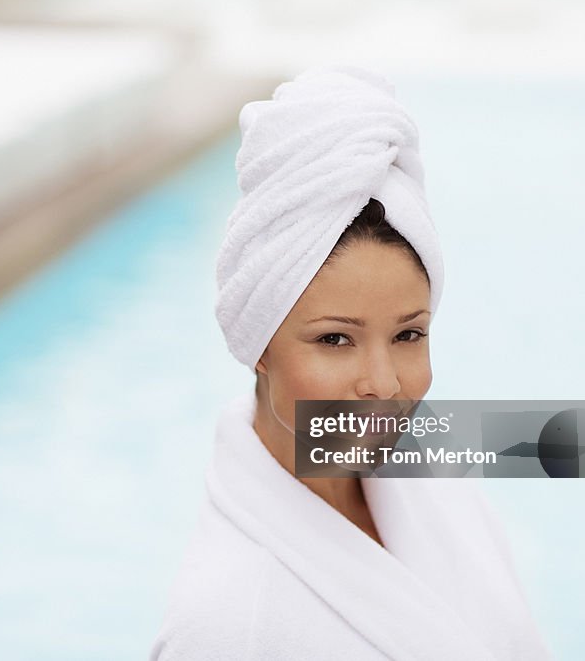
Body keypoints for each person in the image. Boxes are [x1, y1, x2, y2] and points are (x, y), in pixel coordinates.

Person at [149, 66, 551, 660]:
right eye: (336, 340)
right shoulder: (228, 628)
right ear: (259, 343)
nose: (384, 385)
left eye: (409, 334)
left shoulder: (433, 481)